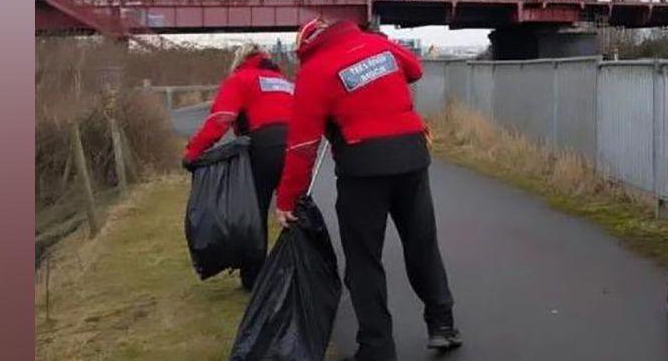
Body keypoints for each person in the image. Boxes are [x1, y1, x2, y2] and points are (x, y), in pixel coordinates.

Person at [275, 19, 462, 361]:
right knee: (422, 243)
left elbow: (302, 144)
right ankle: (442, 325)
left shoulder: (314, 71)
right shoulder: (378, 45)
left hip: (363, 168)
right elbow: (414, 69)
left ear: (304, 46)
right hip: (411, 154)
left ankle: (377, 347)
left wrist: (287, 199)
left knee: (364, 261)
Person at [183, 43, 293, 290]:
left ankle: (255, 279)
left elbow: (220, 119)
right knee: (295, 211)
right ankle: (301, 269)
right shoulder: (285, 82)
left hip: (262, 146)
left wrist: (193, 152)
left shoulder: (241, 79)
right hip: (295, 145)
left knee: (254, 212)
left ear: (240, 60)